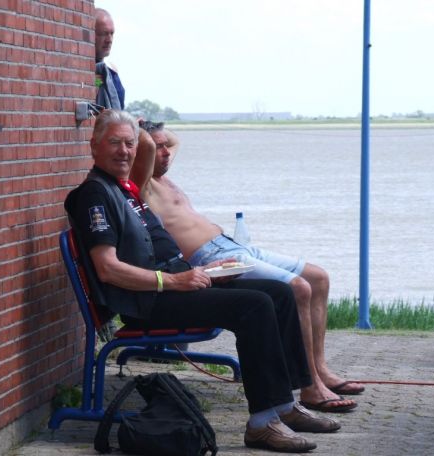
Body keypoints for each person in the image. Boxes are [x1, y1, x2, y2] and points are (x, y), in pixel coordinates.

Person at [65, 110, 342, 453]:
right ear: (94, 146)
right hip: (149, 302)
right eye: (114, 143)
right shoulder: (94, 195)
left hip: (172, 285)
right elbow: (108, 269)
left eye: (129, 143)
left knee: (280, 293)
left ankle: (285, 405)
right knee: (254, 306)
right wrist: (173, 280)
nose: (124, 151)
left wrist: (209, 272)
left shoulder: (123, 187)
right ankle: (262, 424)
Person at [131, 121, 365, 414]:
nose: (167, 151)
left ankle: (321, 369)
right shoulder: (143, 184)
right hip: (209, 256)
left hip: (233, 245)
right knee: (298, 289)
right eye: (159, 147)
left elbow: (173, 140)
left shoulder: (164, 175)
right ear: (143, 151)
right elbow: (147, 146)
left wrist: (152, 128)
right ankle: (311, 386)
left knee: (318, 278)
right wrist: (135, 125)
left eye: (166, 146)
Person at [94, 8, 125, 110]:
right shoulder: (82, 69)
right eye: (104, 33)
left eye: (112, 34)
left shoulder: (112, 70)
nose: (109, 40)